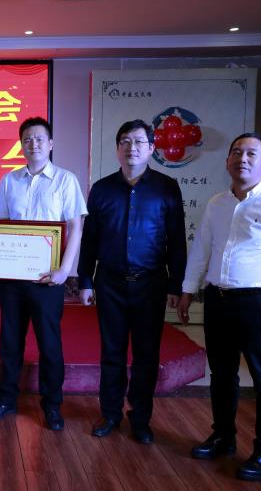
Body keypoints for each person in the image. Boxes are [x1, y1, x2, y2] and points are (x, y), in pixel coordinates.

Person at [177, 133, 261, 482]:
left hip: (258, 303)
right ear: (227, 161)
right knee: (222, 375)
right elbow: (201, 249)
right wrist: (187, 290)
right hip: (218, 301)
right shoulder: (217, 203)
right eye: (236, 152)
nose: (243, 159)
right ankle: (223, 436)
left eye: (251, 154)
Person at [77, 120, 186, 444]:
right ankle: (110, 413)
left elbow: (176, 239)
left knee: (146, 354)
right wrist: (85, 280)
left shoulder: (166, 187)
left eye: (138, 142)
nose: (131, 147)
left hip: (150, 283)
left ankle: (140, 417)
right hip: (109, 282)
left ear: (151, 148)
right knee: (111, 352)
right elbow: (90, 238)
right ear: (117, 149)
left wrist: (176, 284)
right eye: (125, 141)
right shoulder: (101, 189)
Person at [0, 117, 86, 431]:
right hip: (13, 279)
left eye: (39, 138)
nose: (33, 144)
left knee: (49, 344)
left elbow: (76, 227)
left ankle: (52, 405)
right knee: (10, 342)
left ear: (50, 143)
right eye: (27, 139)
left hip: (47, 279)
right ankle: (6, 399)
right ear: (21, 144)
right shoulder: (9, 180)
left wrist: (64, 270)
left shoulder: (66, 180)